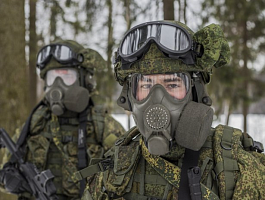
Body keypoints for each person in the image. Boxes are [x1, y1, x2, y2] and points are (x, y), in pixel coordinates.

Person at [81, 21, 265, 200]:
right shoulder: (115, 166)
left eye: (172, 84)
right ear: (130, 96)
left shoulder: (236, 166)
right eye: (146, 84)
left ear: (196, 91)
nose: (156, 99)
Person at [0, 40, 125, 200]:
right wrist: (10, 180)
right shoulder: (35, 123)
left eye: (66, 77)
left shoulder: (102, 125)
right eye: (53, 78)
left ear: (84, 80)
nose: (57, 87)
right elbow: (6, 167)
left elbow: (127, 180)